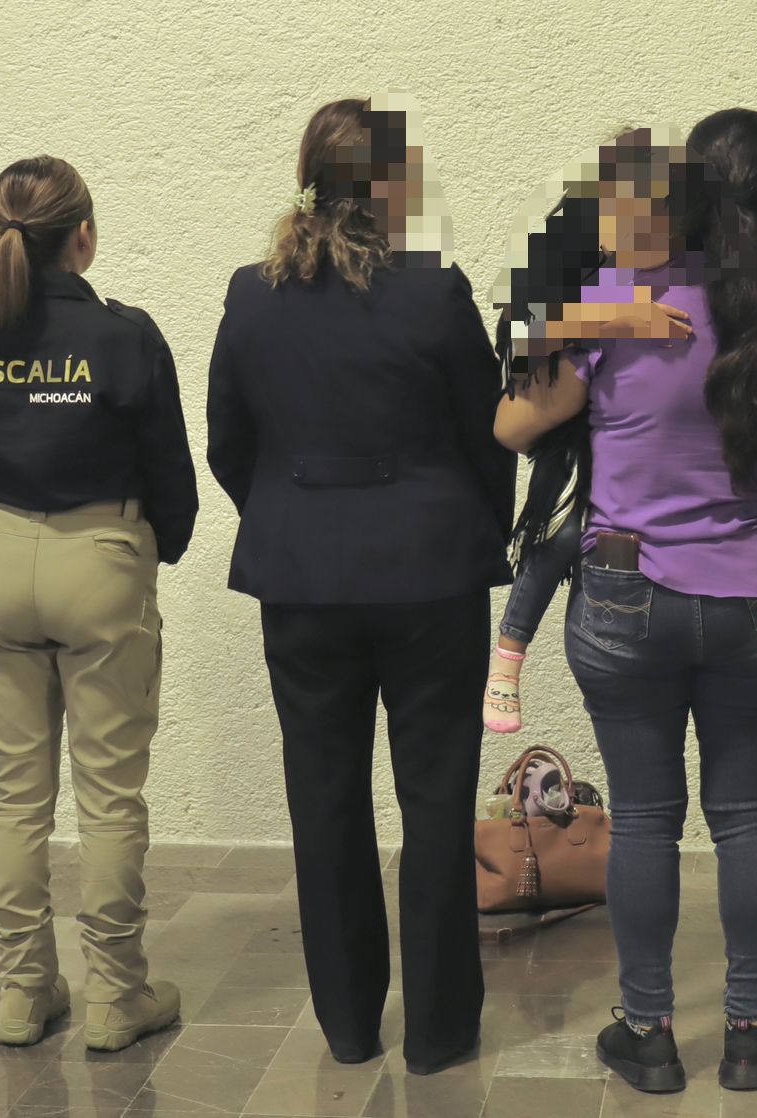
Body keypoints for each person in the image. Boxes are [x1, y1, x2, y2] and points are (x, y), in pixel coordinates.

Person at [494, 110, 757, 1094]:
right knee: (749, 817)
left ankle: (648, 1031)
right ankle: (751, 1030)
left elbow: (512, 427)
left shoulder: (623, 307)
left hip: (628, 597)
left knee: (647, 819)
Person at [205, 94, 512, 1075]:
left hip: (302, 577)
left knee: (324, 797)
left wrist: (291, 515)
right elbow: (488, 436)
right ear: (394, 186)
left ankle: (346, 1022)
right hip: (430, 573)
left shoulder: (252, 294)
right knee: (436, 798)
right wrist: (475, 526)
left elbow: (227, 443)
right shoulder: (435, 291)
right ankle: (439, 1029)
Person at [0, 155, 197, 1050]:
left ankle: (21, 992)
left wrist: (0, 533)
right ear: (84, 234)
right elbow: (170, 474)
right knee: (110, 797)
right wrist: (152, 550)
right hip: (101, 563)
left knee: (15, 793)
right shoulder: (125, 336)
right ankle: (116, 996)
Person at [481, 131, 757, 734]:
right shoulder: (578, 237)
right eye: (608, 217)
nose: (615, 236)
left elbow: (734, 269)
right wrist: (612, 317)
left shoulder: (694, 253)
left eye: (636, 227)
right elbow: (519, 328)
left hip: (638, 471)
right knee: (558, 530)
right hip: (563, 406)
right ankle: (509, 652)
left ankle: (508, 653)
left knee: (573, 529)